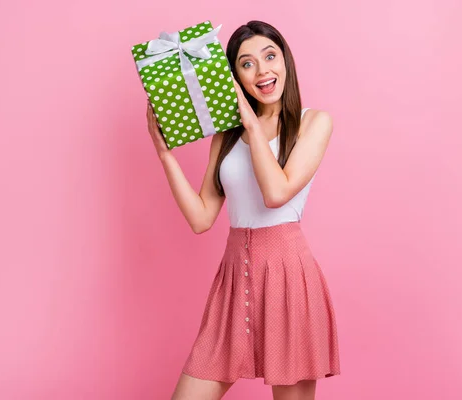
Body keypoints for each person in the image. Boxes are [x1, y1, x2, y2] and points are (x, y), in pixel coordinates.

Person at [145, 20, 341, 400]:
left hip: (288, 277)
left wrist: (250, 122)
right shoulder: (227, 133)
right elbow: (202, 218)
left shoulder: (312, 123)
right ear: (234, 75)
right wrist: (163, 152)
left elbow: (276, 192)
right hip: (234, 280)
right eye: (247, 63)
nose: (263, 70)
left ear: (286, 60)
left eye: (270, 56)